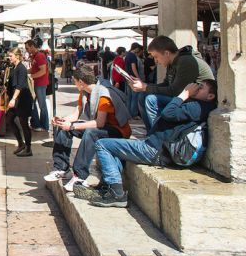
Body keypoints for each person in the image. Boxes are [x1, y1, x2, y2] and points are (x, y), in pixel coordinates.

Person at [87, 80, 217, 208]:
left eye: (201, 88)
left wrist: (184, 93)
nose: (197, 88)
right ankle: (108, 185)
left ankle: (116, 193)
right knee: (116, 146)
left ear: (210, 96)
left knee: (102, 145)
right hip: (156, 147)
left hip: (155, 150)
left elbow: (168, 113)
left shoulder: (197, 107)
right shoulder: (198, 105)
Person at [43, 66, 131, 191]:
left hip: (117, 130)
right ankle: (61, 167)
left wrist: (72, 126)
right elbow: (75, 114)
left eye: (74, 81)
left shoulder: (104, 95)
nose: (74, 83)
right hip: (103, 127)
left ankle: (79, 175)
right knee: (63, 128)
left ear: (81, 82)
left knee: (91, 133)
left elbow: (99, 123)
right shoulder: (84, 93)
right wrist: (63, 120)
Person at [129, 36, 214, 131]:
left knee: (151, 99)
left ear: (166, 53)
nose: (155, 61)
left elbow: (175, 91)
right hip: (185, 98)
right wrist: (144, 86)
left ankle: (158, 136)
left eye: (156, 57)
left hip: (198, 103)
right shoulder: (173, 63)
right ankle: (151, 133)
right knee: (143, 95)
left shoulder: (185, 61)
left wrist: (146, 87)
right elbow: (166, 84)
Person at [4, 48, 33, 157]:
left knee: (24, 124)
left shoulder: (22, 68)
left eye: (11, 56)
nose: (9, 57)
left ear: (17, 56)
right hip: (16, 100)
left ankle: (29, 148)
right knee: (9, 119)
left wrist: (13, 99)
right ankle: (21, 143)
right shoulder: (13, 67)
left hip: (22, 100)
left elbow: (20, 85)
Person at [25, 40, 49, 131]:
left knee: (42, 105)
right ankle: (36, 124)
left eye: (27, 48)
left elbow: (43, 71)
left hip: (40, 84)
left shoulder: (40, 56)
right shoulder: (34, 56)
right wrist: (25, 72)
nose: (27, 50)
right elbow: (34, 69)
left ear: (32, 46)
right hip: (35, 83)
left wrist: (31, 76)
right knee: (33, 104)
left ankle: (44, 126)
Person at [123, 43, 143, 116]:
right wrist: (138, 78)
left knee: (129, 97)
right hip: (133, 78)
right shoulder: (133, 56)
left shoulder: (127, 55)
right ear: (136, 48)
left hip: (127, 77)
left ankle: (128, 113)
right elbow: (133, 67)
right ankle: (134, 114)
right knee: (135, 97)